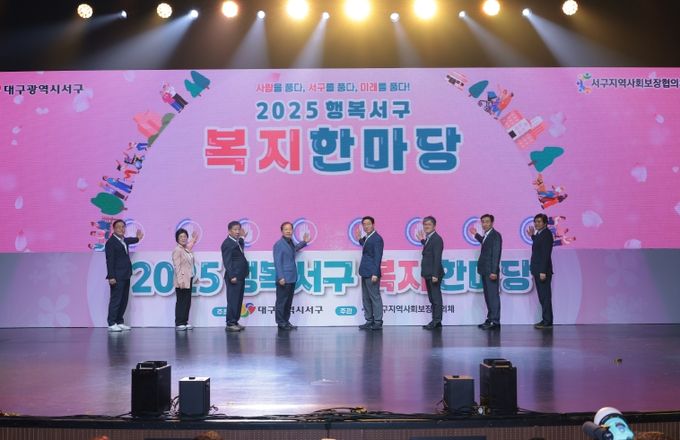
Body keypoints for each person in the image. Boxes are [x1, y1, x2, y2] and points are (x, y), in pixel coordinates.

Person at [105, 219, 143, 332]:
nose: (121, 229)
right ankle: (111, 323)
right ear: (114, 229)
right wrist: (111, 276)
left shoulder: (123, 240)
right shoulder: (111, 242)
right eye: (119, 227)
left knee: (123, 300)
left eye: (123, 227)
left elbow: (130, 240)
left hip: (126, 275)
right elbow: (109, 261)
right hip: (116, 276)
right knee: (116, 300)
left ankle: (119, 321)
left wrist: (137, 238)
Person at [273, 222, 310, 330]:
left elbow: (294, 249)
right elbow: (277, 262)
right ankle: (281, 322)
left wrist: (304, 242)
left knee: (288, 302)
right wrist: (281, 277)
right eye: (286, 229)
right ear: (282, 231)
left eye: (290, 229)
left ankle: (286, 321)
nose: (288, 231)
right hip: (284, 278)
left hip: (291, 277)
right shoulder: (279, 244)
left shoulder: (290, 242)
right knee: (281, 302)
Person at [468, 214, 502, 330]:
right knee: (488, 296)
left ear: (492, 223)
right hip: (485, 270)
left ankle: (495, 321)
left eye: (487, 221)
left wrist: (494, 271)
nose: (484, 224)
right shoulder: (487, 235)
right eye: (483, 222)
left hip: (491, 272)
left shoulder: (495, 235)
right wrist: (476, 235)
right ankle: (490, 318)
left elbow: (496, 254)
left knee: (493, 296)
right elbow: (485, 243)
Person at [356, 216, 384, 331]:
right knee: (366, 298)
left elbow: (378, 257)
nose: (366, 226)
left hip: (372, 273)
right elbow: (367, 248)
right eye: (364, 224)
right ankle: (369, 320)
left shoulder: (377, 238)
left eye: (368, 224)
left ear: (373, 224)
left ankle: (378, 321)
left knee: (374, 297)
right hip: (365, 272)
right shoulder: (368, 237)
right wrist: (359, 239)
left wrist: (375, 273)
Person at [416, 216, 444, 330]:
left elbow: (437, 258)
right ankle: (436, 320)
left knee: (436, 298)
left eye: (429, 224)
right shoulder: (429, 238)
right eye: (425, 224)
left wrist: (435, 275)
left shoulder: (437, 239)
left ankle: (436, 321)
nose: (426, 226)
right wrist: (422, 241)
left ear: (434, 226)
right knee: (432, 298)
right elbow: (429, 250)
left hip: (433, 274)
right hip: (429, 273)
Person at [527, 213, 554, 329]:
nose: (536, 224)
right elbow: (539, 245)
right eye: (535, 221)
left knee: (545, 297)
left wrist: (543, 271)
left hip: (542, 272)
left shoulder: (547, 234)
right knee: (542, 297)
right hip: (538, 270)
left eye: (539, 221)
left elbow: (545, 254)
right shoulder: (540, 234)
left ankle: (547, 321)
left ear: (545, 223)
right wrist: (532, 236)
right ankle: (545, 319)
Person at [220, 221, 249, 332]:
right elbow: (227, 261)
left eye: (238, 229)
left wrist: (242, 237)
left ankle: (235, 321)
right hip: (234, 277)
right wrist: (232, 275)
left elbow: (240, 247)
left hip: (240, 275)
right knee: (233, 300)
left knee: (238, 300)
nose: (237, 232)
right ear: (229, 231)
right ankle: (230, 323)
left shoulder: (236, 241)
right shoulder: (227, 243)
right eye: (235, 229)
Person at [172, 228, 198, 331]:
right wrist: (180, 280)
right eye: (181, 237)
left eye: (185, 236)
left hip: (189, 278)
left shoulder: (185, 249)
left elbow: (189, 246)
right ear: (177, 239)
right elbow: (177, 267)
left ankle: (185, 321)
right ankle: (179, 322)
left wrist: (193, 240)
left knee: (187, 301)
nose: (183, 238)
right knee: (181, 301)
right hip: (182, 280)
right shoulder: (177, 250)